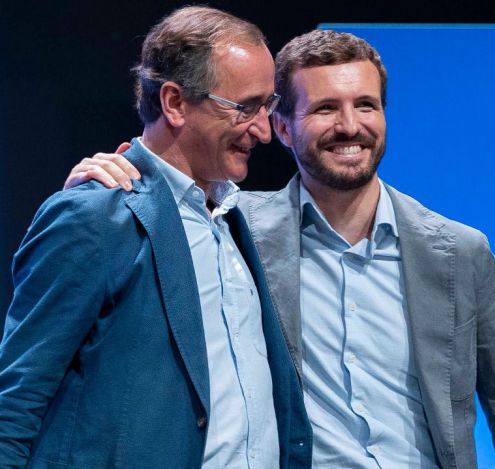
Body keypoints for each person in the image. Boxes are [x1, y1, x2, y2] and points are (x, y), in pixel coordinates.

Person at [63, 30, 495, 468]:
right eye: (326, 108)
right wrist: (96, 185)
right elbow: (152, 204)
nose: (350, 126)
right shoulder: (233, 231)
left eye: (365, 105)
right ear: (281, 127)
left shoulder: (459, 251)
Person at [0, 7, 310, 468]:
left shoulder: (234, 217)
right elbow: (17, 399)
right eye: (245, 107)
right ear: (174, 103)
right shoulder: (93, 216)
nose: (264, 130)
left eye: (268, 106)